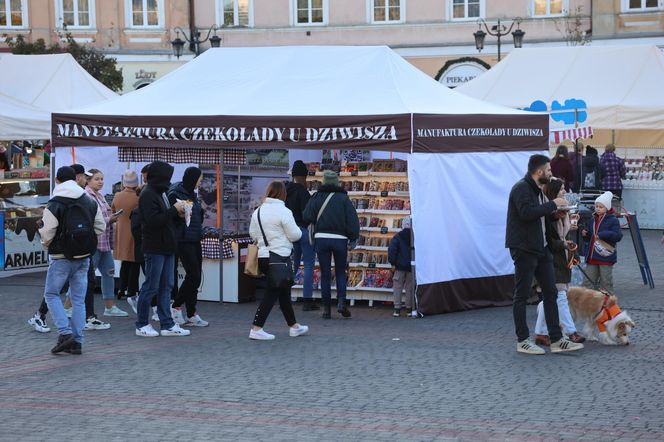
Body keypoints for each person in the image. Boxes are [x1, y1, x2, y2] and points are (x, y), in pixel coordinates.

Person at [505, 154, 584, 354]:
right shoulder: (521, 188)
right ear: (539, 172)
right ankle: (522, 340)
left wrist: (553, 214)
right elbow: (526, 214)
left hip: (541, 248)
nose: (551, 173)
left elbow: (538, 216)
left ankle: (557, 339)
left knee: (551, 292)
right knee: (521, 295)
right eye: (549, 170)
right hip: (524, 249)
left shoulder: (538, 190)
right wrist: (553, 204)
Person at [28, 163, 111, 333]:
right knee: (73, 295)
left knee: (58, 291)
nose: (84, 179)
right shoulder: (86, 199)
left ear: (57, 180)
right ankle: (75, 332)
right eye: (83, 176)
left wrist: (50, 245)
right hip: (80, 252)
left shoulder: (57, 201)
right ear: (76, 178)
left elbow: (47, 231)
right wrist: (86, 239)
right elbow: (100, 226)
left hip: (64, 254)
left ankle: (68, 329)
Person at [134, 160, 190, 337]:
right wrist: (174, 210)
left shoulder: (161, 192)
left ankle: (167, 324)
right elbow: (152, 221)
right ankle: (142, 324)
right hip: (155, 246)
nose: (169, 180)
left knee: (167, 285)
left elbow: (165, 219)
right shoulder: (148, 194)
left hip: (166, 245)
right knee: (151, 285)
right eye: (167, 177)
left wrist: (180, 214)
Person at [248, 181, 308, 340]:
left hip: (264, 256)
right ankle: (256, 328)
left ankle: (293, 326)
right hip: (279, 256)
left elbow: (253, 234)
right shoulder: (284, 211)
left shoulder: (258, 211)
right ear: (283, 194)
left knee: (284, 292)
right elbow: (295, 235)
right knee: (272, 292)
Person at [534, 179, 585, 345]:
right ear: (553, 191)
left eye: (564, 188)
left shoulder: (562, 210)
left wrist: (569, 227)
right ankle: (571, 332)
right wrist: (564, 243)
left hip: (560, 258)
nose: (564, 191)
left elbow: (563, 235)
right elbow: (550, 239)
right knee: (561, 297)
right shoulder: (550, 212)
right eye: (561, 189)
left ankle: (540, 333)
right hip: (551, 259)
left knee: (548, 299)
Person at [303, 170, 360, 319]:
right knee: (341, 272)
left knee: (325, 274)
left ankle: (326, 309)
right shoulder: (343, 199)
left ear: (323, 181)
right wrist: (353, 237)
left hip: (321, 239)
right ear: (337, 182)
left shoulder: (316, 197)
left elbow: (306, 216)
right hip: (340, 239)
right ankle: (341, 303)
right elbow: (352, 220)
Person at [168, 167, 208, 327]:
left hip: (194, 237)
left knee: (196, 277)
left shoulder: (193, 194)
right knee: (194, 275)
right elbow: (174, 215)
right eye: (200, 178)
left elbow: (196, 214)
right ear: (193, 178)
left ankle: (192, 313)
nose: (201, 181)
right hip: (182, 239)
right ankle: (176, 306)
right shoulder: (176, 193)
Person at [85, 169, 129, 317]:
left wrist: (112, 218)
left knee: (109, 272)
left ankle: (110, 307)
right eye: (97, 179)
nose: (100, 181)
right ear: (88, 180)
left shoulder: (99, 196)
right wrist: (110, 220)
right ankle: (68, 305)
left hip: (104, 242)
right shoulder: (87, 196)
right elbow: (90, 220)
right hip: (94, 242)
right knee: (86, 276)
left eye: (102, 179)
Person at [285, 160, 317, 311]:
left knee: (293, 263)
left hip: (289, 231)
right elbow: (309, 215)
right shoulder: (303, 192)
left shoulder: (285, 191)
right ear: (304, 176)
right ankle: (307, 300)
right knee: (309, 264)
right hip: (303, 231)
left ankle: (284, 296)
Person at [581, 191, 622, 294]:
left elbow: (618, 236)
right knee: (588, 282)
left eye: (601, 207)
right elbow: (591, 237)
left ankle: (609, 306)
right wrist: (586, 235)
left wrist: (604, 234)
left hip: (606, 256)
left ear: (607, 208)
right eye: (596, 206)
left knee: (606, 283)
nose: (598, 208)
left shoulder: (613, 220)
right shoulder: (592, 219)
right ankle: (589, 304)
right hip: (592, 256)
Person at [112, 170, 141, 300]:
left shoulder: (117, 195)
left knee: (125, 262)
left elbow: (113, 210)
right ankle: (131, 290)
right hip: (135, 231)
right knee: (135, 262)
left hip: (121, 231)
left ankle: (121, 288)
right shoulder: (138, 197)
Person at [388, 217, 417, 318]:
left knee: (397, 287)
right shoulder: (415, 237)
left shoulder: (397, 236)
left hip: (399, 267)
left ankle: (397, 309)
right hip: (411, 267)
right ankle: (409, 309)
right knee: (410, 288)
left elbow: (392, 250)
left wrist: (392, 263)